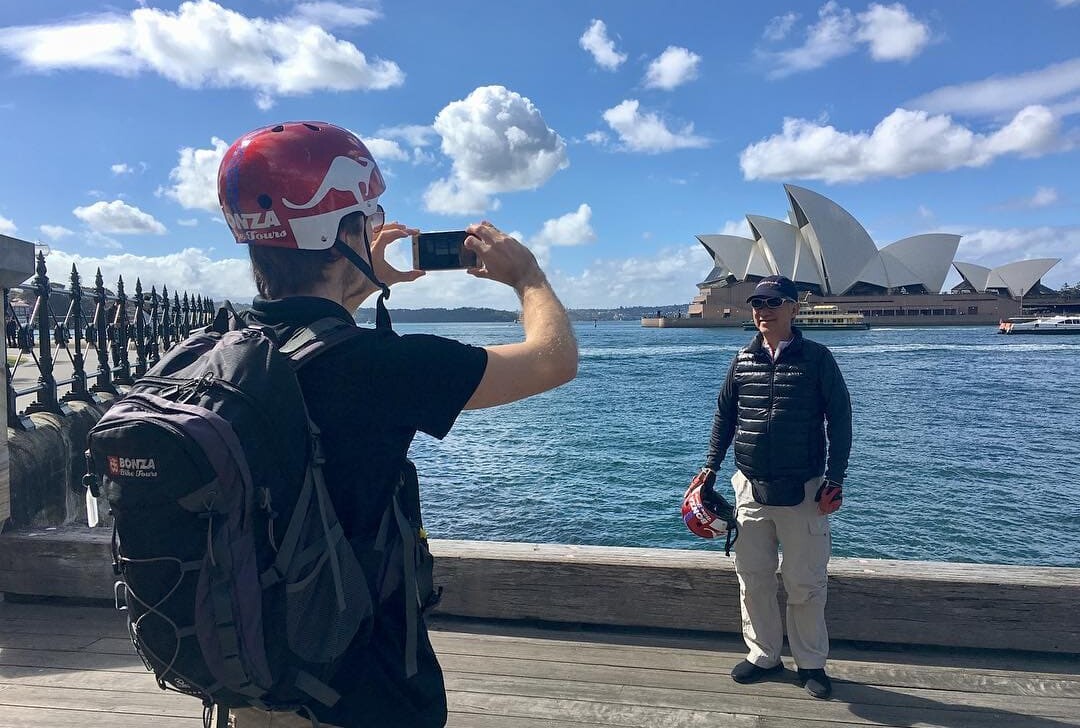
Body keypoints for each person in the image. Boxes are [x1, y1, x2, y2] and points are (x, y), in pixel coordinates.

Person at [216, 121, 578, 728]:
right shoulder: (381, 368)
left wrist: (361, 277)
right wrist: (528, 277)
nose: (376, 226)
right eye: (368, 216)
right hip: (356, 690)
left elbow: (313, 335)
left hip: (254, 679)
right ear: (341, 233)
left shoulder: (227, 352)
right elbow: (554, 360)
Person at [697, 275, 850, 700]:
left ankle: (811, 663)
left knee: (806, 582)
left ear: (794, 309)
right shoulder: (742, 358)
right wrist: (710, 468)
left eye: (772, 303)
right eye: (757, 304)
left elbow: (840, 420)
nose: (763, 311)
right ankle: (764, 655)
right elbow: (724, 417)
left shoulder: (817, 359)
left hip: (804, 489)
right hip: (749, 487)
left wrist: (835, 479)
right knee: (753, 577)